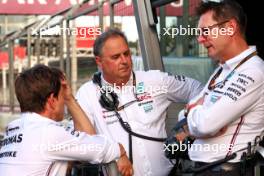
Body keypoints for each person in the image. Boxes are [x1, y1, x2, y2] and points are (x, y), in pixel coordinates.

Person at [75, 28, 204, 176]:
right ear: (99, 61)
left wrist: (188, 126)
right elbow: (84, 140)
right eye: (116, 57)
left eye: (126, 54)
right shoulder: (87, 93)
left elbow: (197, 89)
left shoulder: (154, 80)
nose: (124, 61)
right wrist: (114, 153)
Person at [176, 0, 264, 175]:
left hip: (226, 170)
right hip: (202, 168)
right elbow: (184, 119)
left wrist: (195, 115)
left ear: (230, 27)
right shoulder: (222, 70)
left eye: (205, 31)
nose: (200, 39)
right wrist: (194, 114)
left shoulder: (254, 70)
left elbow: (205, 125)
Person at [0, 64, 133, 176]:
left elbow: (87, 138)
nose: (63, 102)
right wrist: (120, 151)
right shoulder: (48, 133)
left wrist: (68, 98)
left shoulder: (13, 129)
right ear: (52, 100)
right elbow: (103, 149)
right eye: (62, 97)